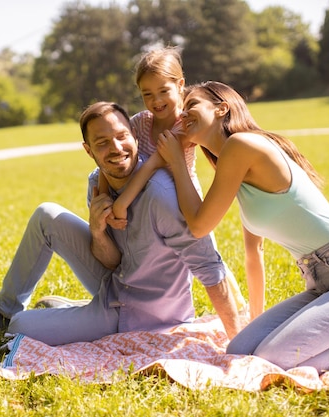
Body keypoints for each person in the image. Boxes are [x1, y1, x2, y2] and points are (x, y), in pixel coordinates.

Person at [124, 80, 329, 372]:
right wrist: (255, 322)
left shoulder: (242, 145)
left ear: (221, 109)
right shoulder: (238, 171)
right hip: (322, 283)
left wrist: (177, 162)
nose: (182, 114)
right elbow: (253, 253)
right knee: (241, 350)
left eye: (192, 104)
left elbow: (198, 226)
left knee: (270, 359)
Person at [0, 101, 242, 346]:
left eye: (121, 136)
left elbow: (208, 265)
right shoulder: (97, 183)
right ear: (88, 150)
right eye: (102, 142)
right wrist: (98, 231)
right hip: (117, 283)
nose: (116, 148)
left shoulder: (160, 195)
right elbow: (112, 262)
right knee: (46, 215)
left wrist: (238, 339)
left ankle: (69, 313)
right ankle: (4, 312)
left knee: (20, 325)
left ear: (134, 137)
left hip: (145, 317)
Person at [99, 46, 247, 311]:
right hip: (146, 197)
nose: (156, 101)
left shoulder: (184, 125)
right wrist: (102, 198)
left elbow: (152, 165)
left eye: (163, 91)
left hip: (180, 194)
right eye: (147, 94)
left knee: (207, 257)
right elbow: (109, 163)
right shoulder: (141, 122)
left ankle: (239, 307)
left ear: (180, 85)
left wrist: (120, 205)